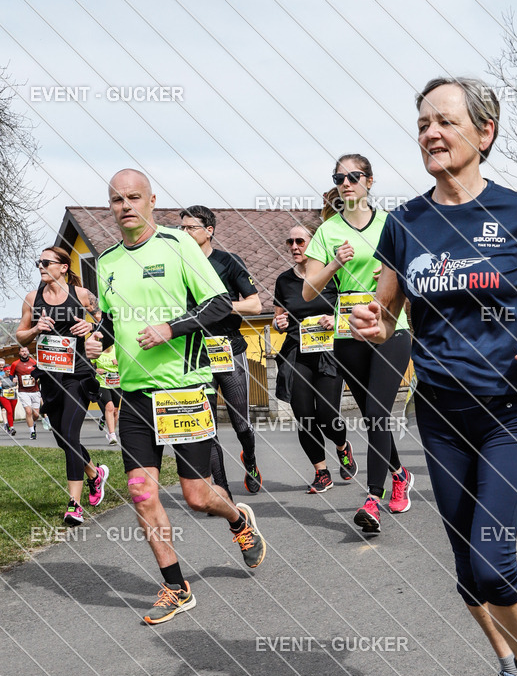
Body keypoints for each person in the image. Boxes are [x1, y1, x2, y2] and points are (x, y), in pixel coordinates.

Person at [351, 77, 517, 676]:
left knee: (492, 558)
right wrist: (374, 323)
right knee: (466, 567)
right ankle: (509, 669)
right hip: (441, 414)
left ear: (484, 133)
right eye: (422, 123)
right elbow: (388, 313)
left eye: (445, 121)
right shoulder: (405, 223)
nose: (431, 133)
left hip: (509, 409)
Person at [92, 168, 266, 625]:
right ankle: (175, 586)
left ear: (151, 201)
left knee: (197, 496)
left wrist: (171, 328)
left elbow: (219, 303)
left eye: (134, 197)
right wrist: (97, 337)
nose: (125, 206)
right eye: (117, 200)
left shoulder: (178, 244)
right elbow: (111, 320)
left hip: (183, 390)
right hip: (134, 395)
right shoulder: (106, 261)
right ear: (110, 206)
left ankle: (238, 520)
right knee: (141, 493)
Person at [303, 155, 413, 532]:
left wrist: (393, 275)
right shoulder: (328, 231)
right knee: (371, 415)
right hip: (348, 331)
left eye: (353, 176)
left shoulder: (391, 224)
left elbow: (417, 273)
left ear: (370, 180)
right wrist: (334, 264)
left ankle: (372, 499)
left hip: (391, 325)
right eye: (339, 178)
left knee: (379, 410)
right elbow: (308, 290)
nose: (346, 183)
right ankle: (400, 475)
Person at [15, 248, 109, 526]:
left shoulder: (82, 295)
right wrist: (36, 329)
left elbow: (108, 324)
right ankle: (95, 474)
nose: (41, 266)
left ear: (64, 267)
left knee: (69, 434)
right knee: (62, 438)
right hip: (49, 377)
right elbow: (20, 336)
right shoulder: (32, 298)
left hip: (78, 375)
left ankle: (74, 506)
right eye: (39, 262)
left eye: (46, 262)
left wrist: (91, 329)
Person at [179, 206, 263, 495]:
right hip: (195, 354)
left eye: (191, 228)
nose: (185, 233)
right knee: (207, 428)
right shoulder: (178, 265)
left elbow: (255, 305)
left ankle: (250, 460)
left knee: (241, 424)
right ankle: (222, 491)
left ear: (209, 231)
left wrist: (221, 308)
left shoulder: (228, 261)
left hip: (228, 348)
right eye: (182, 228)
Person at [273, 220, 357, 492]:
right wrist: (278, 324)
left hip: (330, 352)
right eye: (290, 242)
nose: (294, 246)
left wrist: (335, 319)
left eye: (300, 241)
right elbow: (277, 318)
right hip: (297, 352)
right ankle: (321, 472)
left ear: (314, 244)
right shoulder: (284, 281)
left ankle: (342, 446)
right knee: (304, 415)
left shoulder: (333, 276)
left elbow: (350, 309)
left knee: (328, 414)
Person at [9, 346, 41, 439]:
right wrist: (13, 379)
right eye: (22, 351)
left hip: (35, 391)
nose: (24, 353)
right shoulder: (15, 364)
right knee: (28, 411)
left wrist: (37, 378)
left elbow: (40, 373)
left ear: (28, 352)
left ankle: (33, 423)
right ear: (19, 353)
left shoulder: (34, 362)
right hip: (23, 392)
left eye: (25, 351)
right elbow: (11, 375)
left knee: (36, 414)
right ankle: (32, 432)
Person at [95, 344, 121, 444]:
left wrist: (119, 363)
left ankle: (110, 431)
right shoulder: (97, 350)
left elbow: (128, 363)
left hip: (116, 383)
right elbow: (89, 365)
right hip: (102, 383)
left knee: (115, 411)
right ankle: (112, 435)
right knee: (110, 406)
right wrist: (95, 370)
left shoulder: (117, 349)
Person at [0, 359, 17, 435]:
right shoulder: (1, 377)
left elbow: (18, 386)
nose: (9, 372)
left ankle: (9, 425)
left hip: (13, 396)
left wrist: (13, 388)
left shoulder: (14, 377)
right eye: (7, 371)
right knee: (9, 411)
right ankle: (11, 428)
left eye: (10, 371)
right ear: (4, 371)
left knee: (12, 412)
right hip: (4, 396)